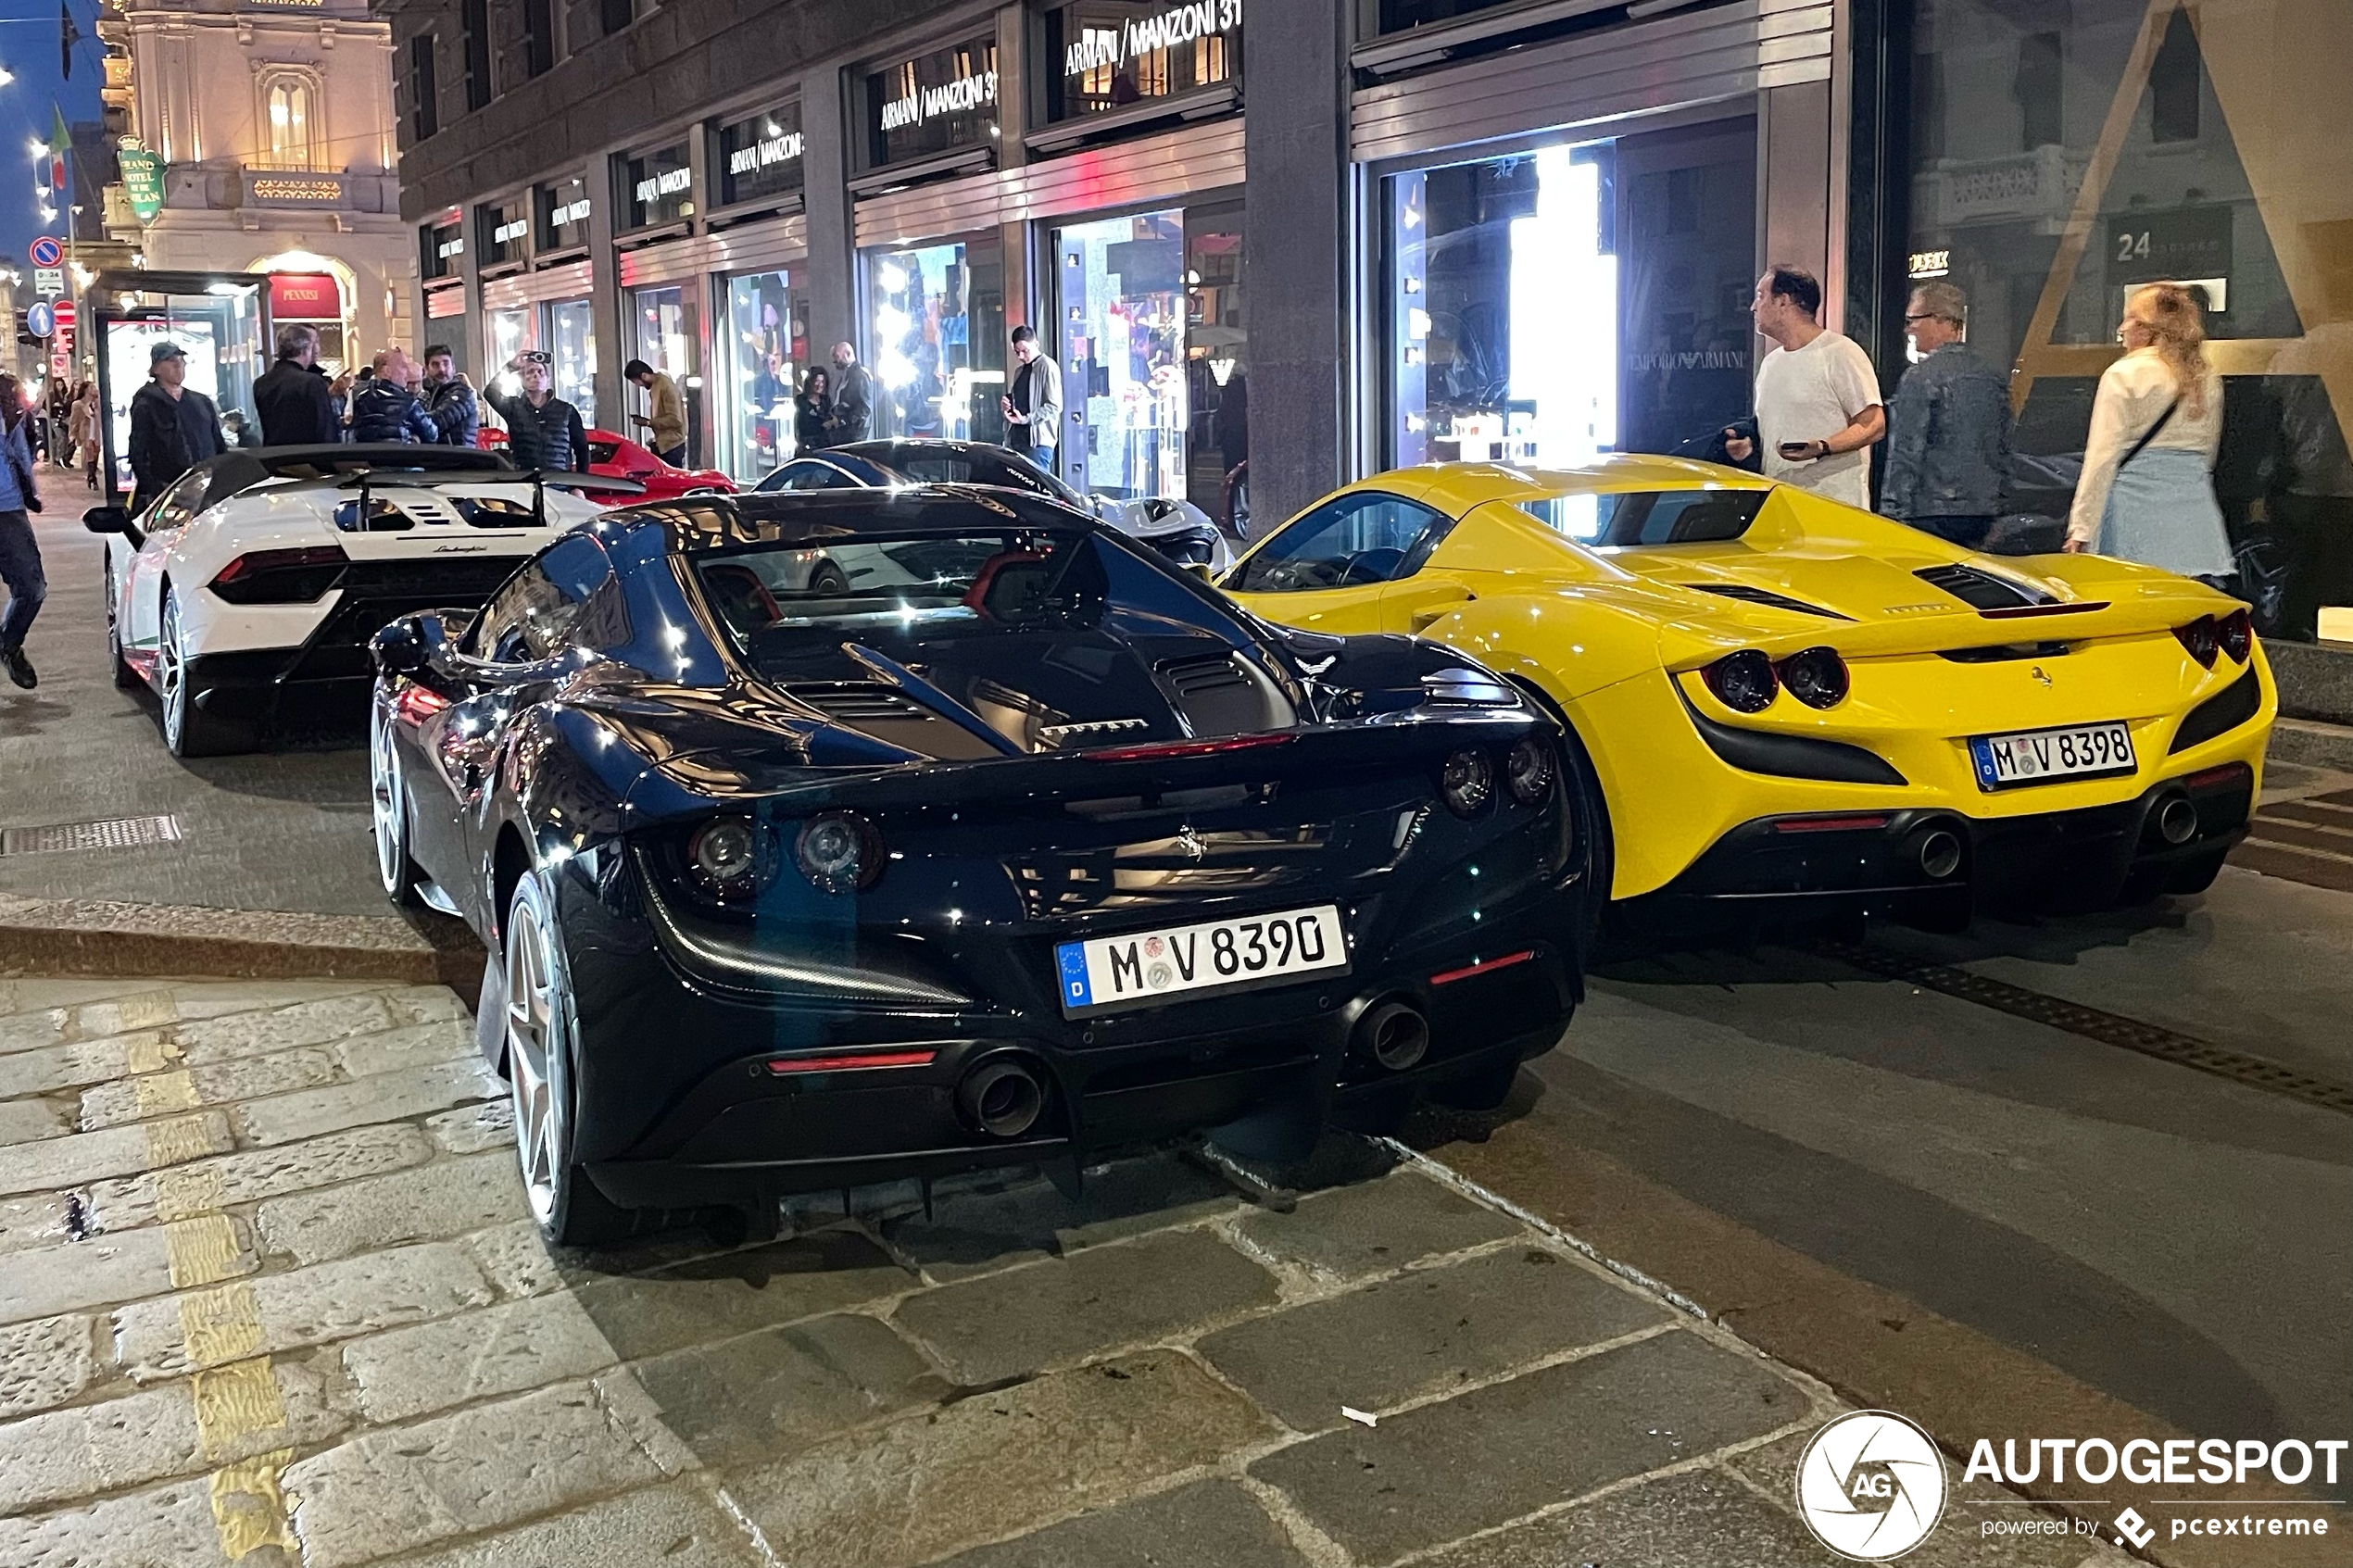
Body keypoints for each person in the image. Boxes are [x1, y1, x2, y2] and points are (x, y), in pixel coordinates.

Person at [2066, 282, 2233, 579]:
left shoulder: (2123, 374)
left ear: (2146, 329)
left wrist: (2082, 527)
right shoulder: (2205, 377)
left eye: (2129, 319)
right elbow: (2209, 453)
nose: (2122, 328)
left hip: (2134, 516)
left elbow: (2101, 459)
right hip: (2194, 514)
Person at [1724, 266, 1884, 509]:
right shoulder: (1771, 363)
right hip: (1781, 506)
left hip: (1835, 509)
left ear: (1783, 301)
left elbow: (1873, 424)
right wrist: (1748, 448)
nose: (1753, 307)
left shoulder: (1840, 352)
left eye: (1760, 296)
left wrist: (1823, 447)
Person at [1878, 281, 2011, 549]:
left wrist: (1890, 515)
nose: (1908, 329)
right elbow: (2003, 448)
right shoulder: (1992, 376)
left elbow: (1905, 453)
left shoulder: (1919, 377)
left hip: (1928, 512)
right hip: (1983, 512)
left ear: (1941, 320)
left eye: (1913, 320)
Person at [127, 342, 225, 513]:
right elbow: (138, 453)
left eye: (181, 360)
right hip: (168, 496)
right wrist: (156, 490)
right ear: (156, 369)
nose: (178, 364)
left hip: (206, 492)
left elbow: (218, 444)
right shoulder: (147, 404)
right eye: (171, 360)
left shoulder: (200, 402)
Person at [0, 373, 44, 690]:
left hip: (8, 507)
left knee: (32, 588)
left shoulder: (6, 395)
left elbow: (19, 451)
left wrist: (29, 492)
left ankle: (9, 646)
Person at [482, 352, 590, 472]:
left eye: (540, 372)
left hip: (559, 481)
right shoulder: (513, 408)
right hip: (525, 480)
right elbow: (490, 392)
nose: (536, 376)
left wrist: (579, 487)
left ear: (547, 379)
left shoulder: (566, 410)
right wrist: (510, 367)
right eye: (530, 372)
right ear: (522, 379)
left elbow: (582, 449)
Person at [254, 324, 340, 446]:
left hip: (274, 456)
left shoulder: (260, 383)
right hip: (305, 457)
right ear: (305, 348)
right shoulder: (312, 382)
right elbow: (325, 430)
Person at [348, 349, 444, 445]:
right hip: (402, 457)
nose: (407, 372)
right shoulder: (408, 403)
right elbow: (431, 435)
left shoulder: (360, 399)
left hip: (367, 458)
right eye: (403, 367)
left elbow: (353, 435)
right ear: (387, 371)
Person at [1000, 325, 1063, 470]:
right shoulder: (1019, 371)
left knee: (1035, 489)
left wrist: (1026, 419)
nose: (1021, 356)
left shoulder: (1047, 366)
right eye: (1017, 352)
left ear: (1036, 343)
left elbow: (1054, 407)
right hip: (1017, 441)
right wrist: (1007, 405)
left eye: (1024, 351)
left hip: (1037, 444)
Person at [624, 358, 687, 465]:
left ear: (644, 376)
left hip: (672, 446)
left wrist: (649, 423)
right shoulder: (659, 385)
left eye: (635, 381)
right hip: (666, 445)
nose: (637, 385)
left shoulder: (666, 387)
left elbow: (675, 420)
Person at [420, 345, 479, 447]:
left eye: (446, 364)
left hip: (460, 459)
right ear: (427, 369)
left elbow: (439, 420)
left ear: (453, 367)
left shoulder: (463, 394)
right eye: (435, 365)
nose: (442, 369)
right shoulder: (427, 396)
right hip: (442, 458)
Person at [829, 342, 873, 445]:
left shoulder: (860, 376)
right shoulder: (845, 375)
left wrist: (842, 419)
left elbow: (865, 409)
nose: (835, 360)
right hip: (845, 432)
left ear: (847, 354)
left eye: (837, 356)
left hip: (853, 436)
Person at [69, 381, 100, 490]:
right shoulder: (78, 404)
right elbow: (74, 420)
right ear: (86, 389)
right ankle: (93, 479)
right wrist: (72, 434)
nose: (94, 389)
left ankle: (91, 476)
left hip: (96, 432)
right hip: (86, 433)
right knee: (89, 454)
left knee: (96, 454)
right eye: (92, 387)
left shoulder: (98, 402)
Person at [794, 368, 833, 454]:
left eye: (822, 382)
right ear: (810, 382)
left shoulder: (826, 401)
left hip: (824, 446)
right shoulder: (801, 400)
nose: (820, 385)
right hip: (806, 446)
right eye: (817, 381)